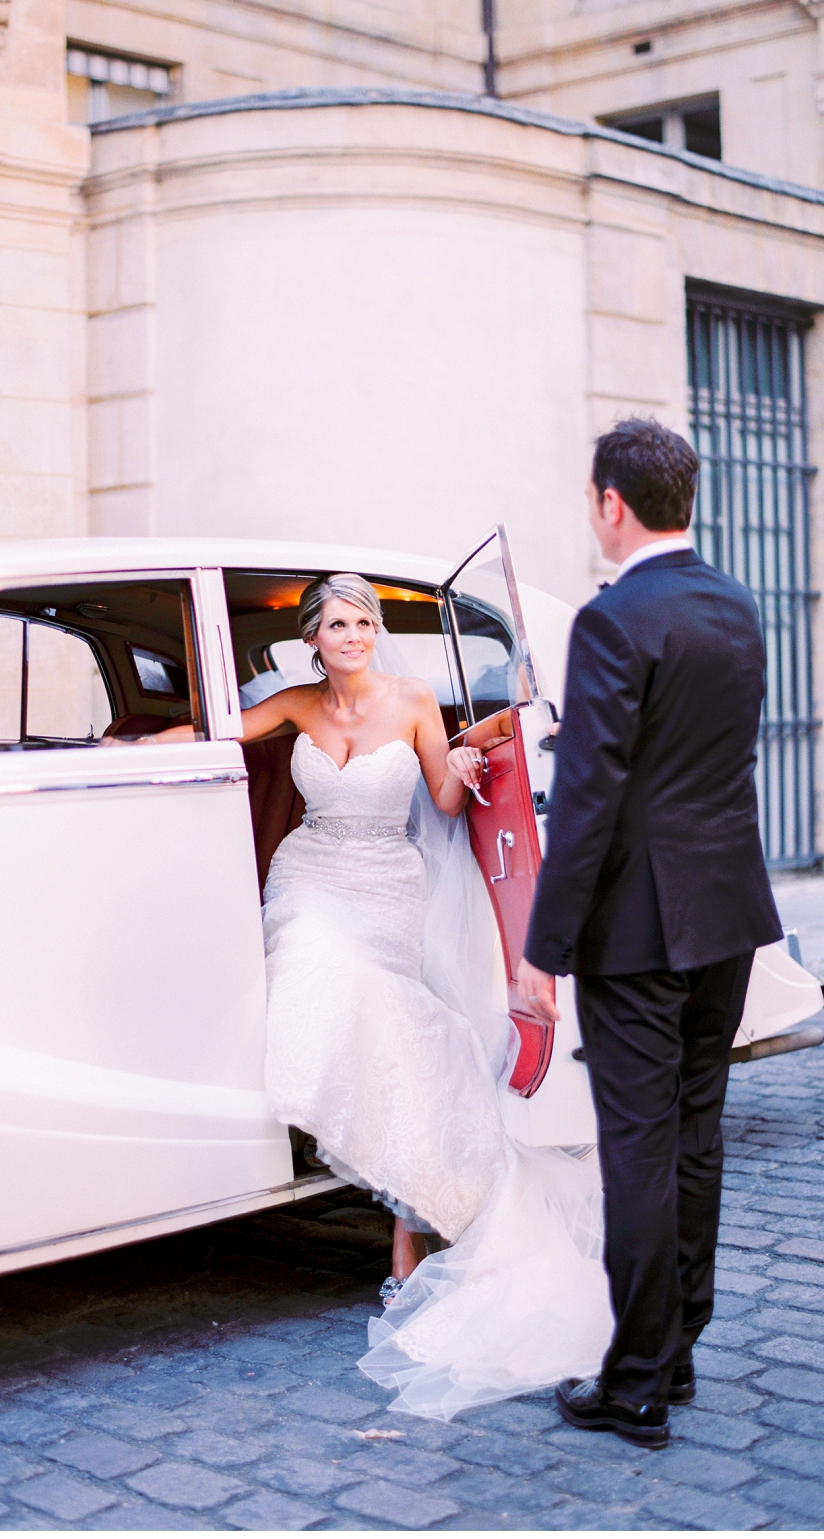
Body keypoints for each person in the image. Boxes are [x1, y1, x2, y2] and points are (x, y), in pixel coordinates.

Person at [229, 572, 615, 1419]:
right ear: (314, 639)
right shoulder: (297, 702)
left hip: (385, 886)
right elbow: (221, 730)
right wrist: (128, 746)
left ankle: (412, 1223)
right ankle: (398, 1209)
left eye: (363, 621)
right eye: (337, 624)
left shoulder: (411, 698)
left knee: (392, 1022)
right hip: (312, 872)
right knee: (314, 969)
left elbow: (441, 795)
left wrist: (472, 760)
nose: (354, 635)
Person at [514, 418, 782, 1449]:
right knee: (695, 1134)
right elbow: (710, 758)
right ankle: (677, 1347)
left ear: (610, 504)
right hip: (726, 913)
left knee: (639, 1148)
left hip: (635, 927)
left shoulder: (613, 618)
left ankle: (634, 1384)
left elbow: (589, 806)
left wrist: (543, 954)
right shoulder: (737, 604)